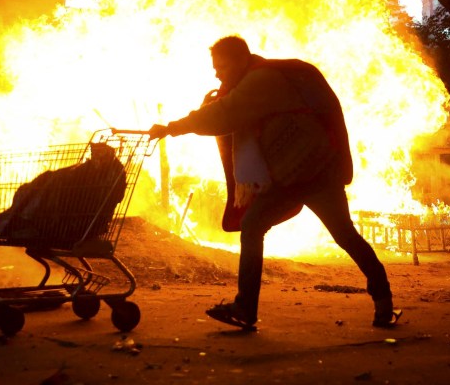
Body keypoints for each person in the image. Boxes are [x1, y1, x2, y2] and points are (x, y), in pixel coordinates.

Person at [149, 36, 399, 331]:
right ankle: (244, 309)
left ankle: (383, 300)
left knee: (343, 235)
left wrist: (172, 128)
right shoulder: (251, 81)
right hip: (289, 175)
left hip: (316, 172)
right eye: (215, 68)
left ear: (242, 59)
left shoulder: (262, 80)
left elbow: (223, 114)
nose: (217, 73)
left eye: (222, 67)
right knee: (257, 227)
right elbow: (227, 110)